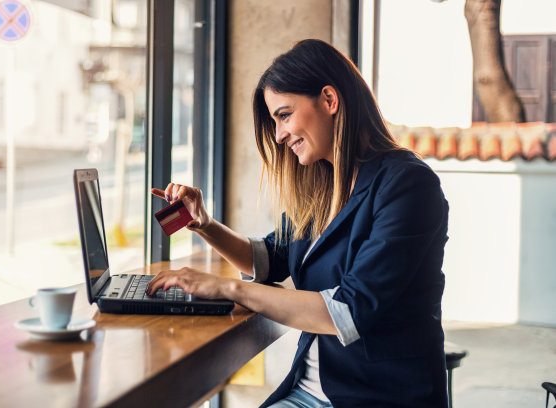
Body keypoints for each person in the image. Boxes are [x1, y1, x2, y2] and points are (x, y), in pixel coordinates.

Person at [147, 39, 449, 408]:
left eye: (284, 115)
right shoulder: (326, 183)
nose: (278, 135)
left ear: (329, 100)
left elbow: (349, 312)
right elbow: (271, 258)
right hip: (310, 390)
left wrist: (227, 289)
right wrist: (207, 224)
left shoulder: (408, 185)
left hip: (376, 397)